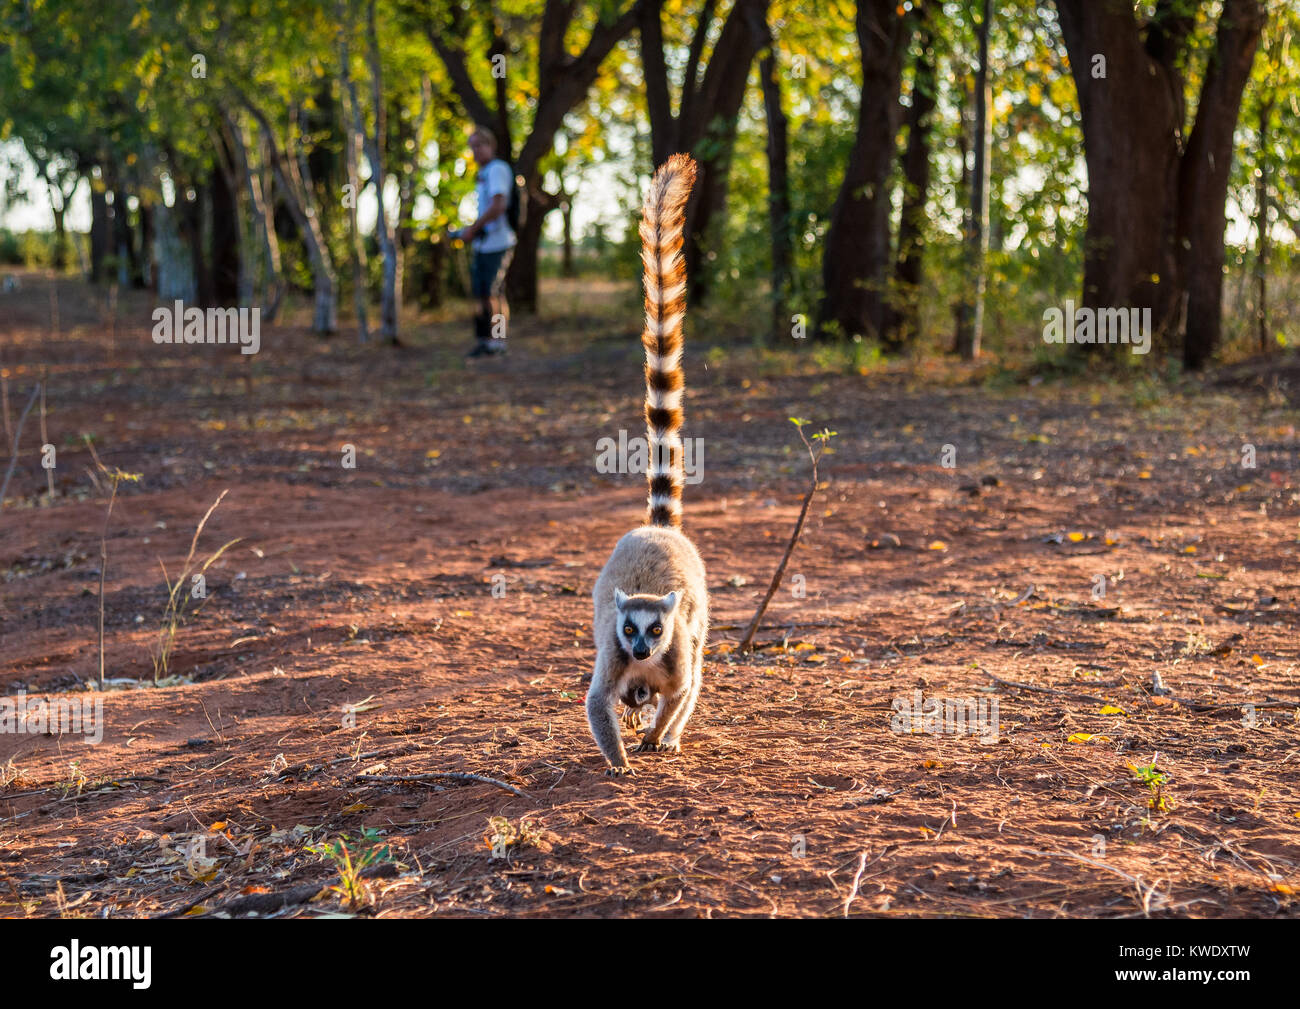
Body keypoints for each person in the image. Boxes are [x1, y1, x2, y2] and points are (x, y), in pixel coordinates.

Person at [451, 127, 515, 358]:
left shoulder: (497, 169)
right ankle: (486, 339)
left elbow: (499, 205)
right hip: (485, 243)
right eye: (472, 146)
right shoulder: (485, 172)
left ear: (491, 145)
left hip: (497, 243)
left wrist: (473, 229)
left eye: (479, 145)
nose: (475, 151)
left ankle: (497, 342)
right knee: (484, 293)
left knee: (492, 293)